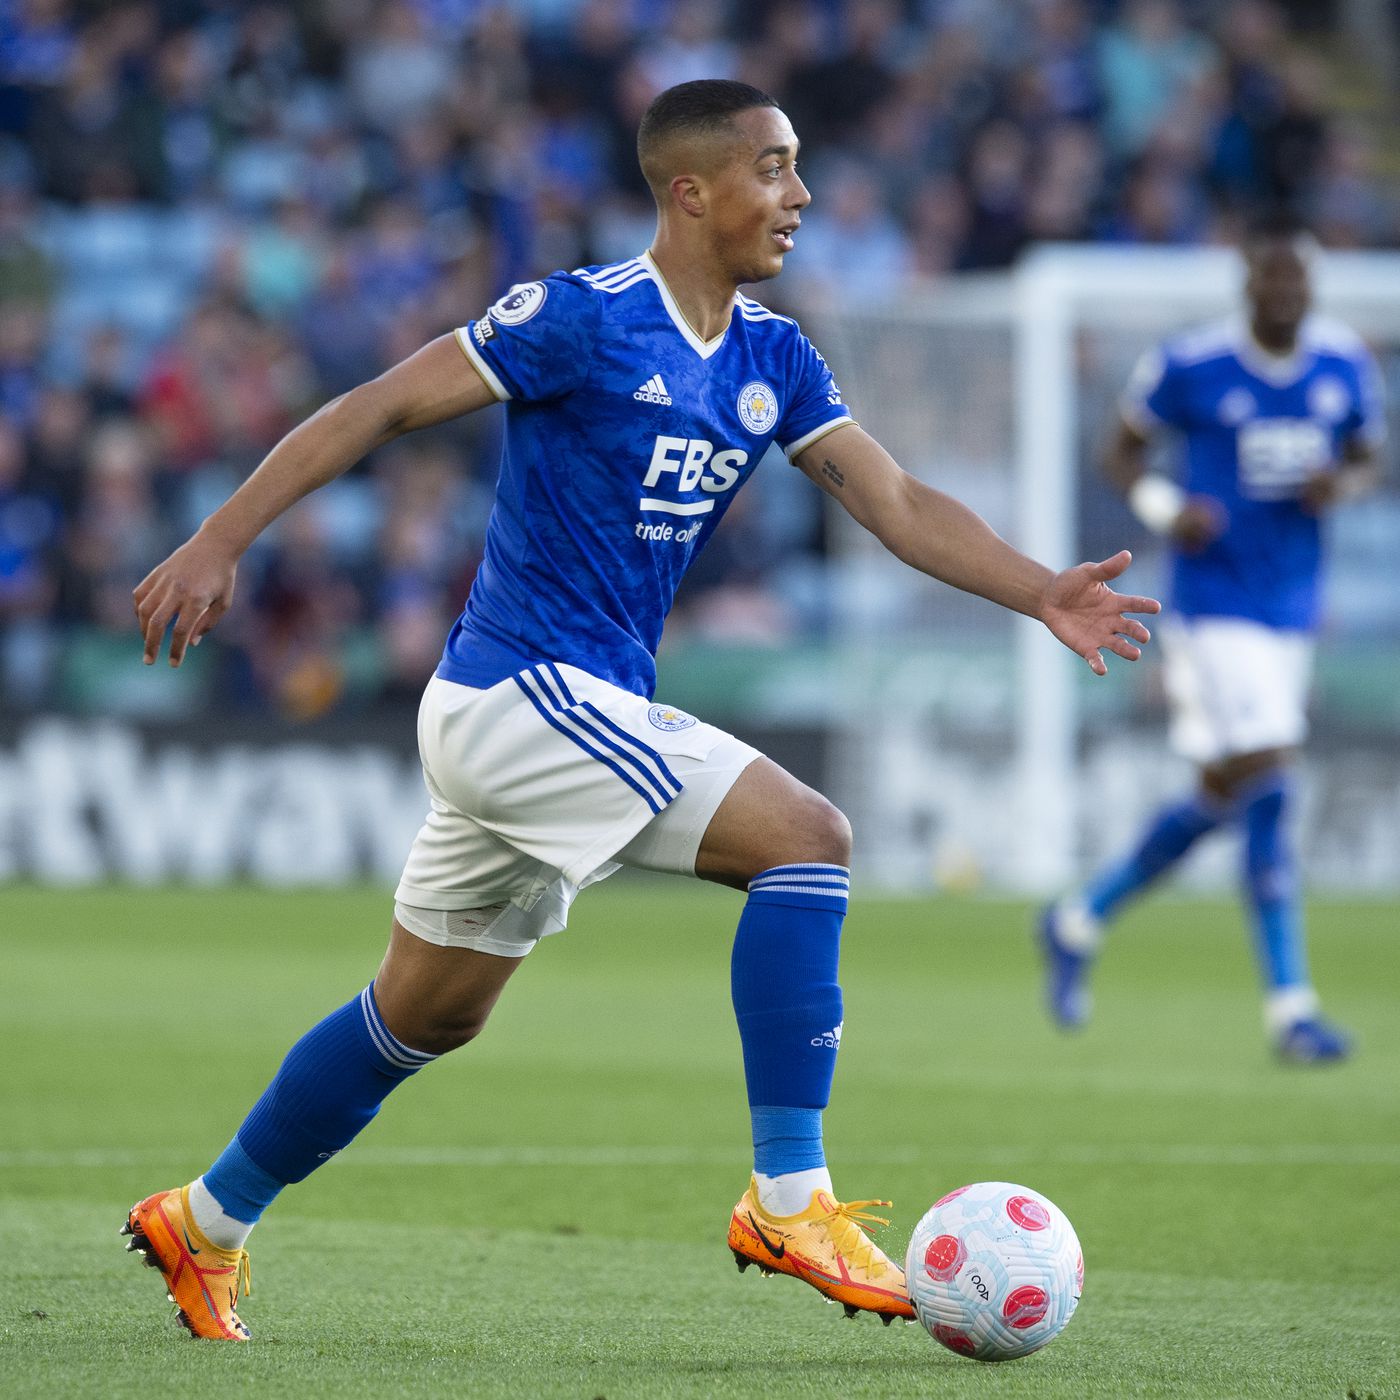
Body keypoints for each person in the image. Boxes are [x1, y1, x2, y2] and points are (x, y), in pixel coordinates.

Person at [126, 79, 1159, 1341]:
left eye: (797, 166)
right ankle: (790, 1197)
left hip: (571, 713)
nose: (800, 194)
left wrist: (1039, 588)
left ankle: (205, 1218)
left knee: (424, 1014)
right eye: (773, 168)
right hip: (518, 693)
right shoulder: (580, 317)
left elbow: (892, 501)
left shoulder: (774, 354)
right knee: (807, 837)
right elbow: (378, 404)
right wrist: (220, 537)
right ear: (691, 191)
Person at [1040, 216, 1385, 1064]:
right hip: (1213, 606)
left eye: (1298, 282)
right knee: (1272, 780)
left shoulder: (1344, 364)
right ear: (1248, 286)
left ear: (1312, 288)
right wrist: (1167, 511)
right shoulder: (1192, 364)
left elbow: (1369, 459)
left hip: (1292, 607)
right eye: (1272, 281)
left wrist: (1340, 486)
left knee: (1223, 792)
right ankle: (1291, 1009)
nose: (1286, 296)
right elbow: (1119, 452)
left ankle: (1077, 920)